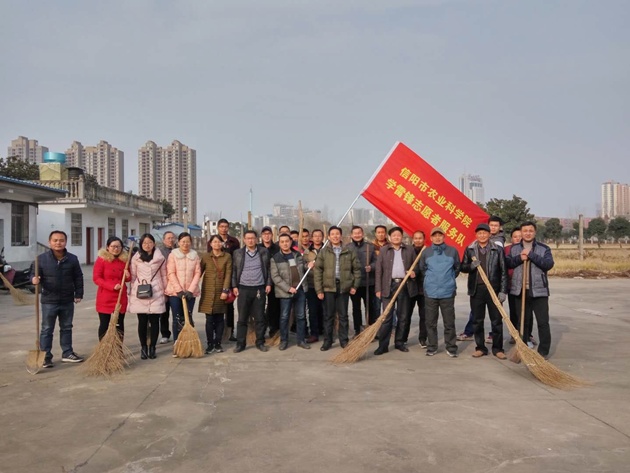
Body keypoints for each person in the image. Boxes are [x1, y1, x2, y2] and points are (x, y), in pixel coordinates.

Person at [31, 230, 85, 368]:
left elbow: (78, 277)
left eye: (61, 240)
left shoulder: (72, 259)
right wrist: (34, 279)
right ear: (49, 242)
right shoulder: (41, 259)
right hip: (49, 300)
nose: (58, 243)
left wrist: (78, 293)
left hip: (67, 299)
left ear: (65, 242)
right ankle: (45, 356)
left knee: (66, 327)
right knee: (47, 329)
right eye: (55, 240)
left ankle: (67, 353)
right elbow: (32, 274)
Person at [505, 221, 554, 359]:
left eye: (530, 231)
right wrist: (520, 258)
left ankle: (543, 352)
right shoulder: (514, 249)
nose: (528, 233)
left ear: (535, 232)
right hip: (519, 291)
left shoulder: (544, 249)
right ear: (521, 232)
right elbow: (508, 263)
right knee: (523, 322)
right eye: (525, 231)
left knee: (543, 322)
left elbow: (548, 264)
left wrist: (531, 255)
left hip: (539, 292)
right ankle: (523, 348)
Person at [460, 223, 508, 359]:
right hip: (477, 290)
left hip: (494, 290)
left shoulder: (497, 250)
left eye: (484, 233)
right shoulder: (470, 249)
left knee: (496, 321)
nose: (482, 235)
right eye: (479, 233)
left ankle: (498, 349)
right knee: (477, 320)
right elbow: (462, 267)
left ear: (489, 234)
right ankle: (480, 348)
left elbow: (503, 272)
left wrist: (503, 291)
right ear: (476, 235)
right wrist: (471, 266)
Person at [314, 226, 361, 351]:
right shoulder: (324, 252)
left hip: (343, 288)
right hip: (328, 288)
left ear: (341, 236)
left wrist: (354, 286)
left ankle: (344, 341)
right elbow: (318, 271)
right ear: (329, 237)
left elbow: (356, 269)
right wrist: (319, 290)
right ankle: (327, 341)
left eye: (337, 234)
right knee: (328, 316)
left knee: (343, 316)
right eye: (332, 234)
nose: (335, 236)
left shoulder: (349, 251)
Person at [374, 227, 418, 355]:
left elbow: (417, 265)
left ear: (402, 236)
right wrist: (378, 289)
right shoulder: (384, 250)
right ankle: (383, 345)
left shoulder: (409, 249)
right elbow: (378, 271)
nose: (396, 237)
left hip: (404, 285)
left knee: (403, 317)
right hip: (388, 286)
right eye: (394, 235)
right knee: (386, 317)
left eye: (398, 235)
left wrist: (414, 273)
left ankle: (399, 342)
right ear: (390, 237)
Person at [419, 227, 460, 357]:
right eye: (435, 235)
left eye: (440, 235)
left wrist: (449, 279)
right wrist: (431, 280)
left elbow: (457, 268)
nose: (437, 238)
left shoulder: (452, 251)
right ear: (431, 238)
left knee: (449, 322)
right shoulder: (426, 252)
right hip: (430, 292)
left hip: (447, 291)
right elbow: (422, 269)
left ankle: (451, 347)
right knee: (430, 322)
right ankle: (432, 347)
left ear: (444, 237)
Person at [270, 233, 314, 350]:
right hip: (286, 292)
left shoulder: (297, 255)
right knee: (284, 317)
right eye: (282, 242)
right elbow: (275, 277)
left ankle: (301, 340)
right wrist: (288, 288)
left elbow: (303, 267)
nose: (285, 243)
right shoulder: (275, 258)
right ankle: (284, 341)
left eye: (287, 241)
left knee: (301, 316)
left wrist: (308, 265)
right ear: (279, 244)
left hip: (300, 290)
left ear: (290, 242)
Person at [232, 230, 272, 352]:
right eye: (248, 238)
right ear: (244, 240)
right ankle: (240, 344)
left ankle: (260, 342)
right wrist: (234, 286)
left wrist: (268, 284)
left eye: (253, 238)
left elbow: (268, 269)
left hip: (259, 288)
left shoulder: (263, 252)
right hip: (243, 289)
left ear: (256, 239)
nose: (250, 240)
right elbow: (234, 270)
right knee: (242, 318)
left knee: (259, 318)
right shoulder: (238, 253)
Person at [129, 233, 168, 360]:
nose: (147, 245)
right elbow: (133, 277)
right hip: (140, 292)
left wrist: (165, 291)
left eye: (150, 242)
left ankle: (152, 347)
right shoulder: (135, 258)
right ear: (141, 244)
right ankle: (143, 347)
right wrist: (132, 291)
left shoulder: (160, 258)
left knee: (155, 321)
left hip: (156, 291)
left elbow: (164, 275)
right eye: (144, 243)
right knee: (142, 322)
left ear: (154, 243)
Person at [165, 232, 202, 354]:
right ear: (179, 242)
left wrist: (190, 290)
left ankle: (189, 343)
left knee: (188, 317)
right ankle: (177, 344)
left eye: (188, 241)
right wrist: (179, 290)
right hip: (175, 293)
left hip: (190, 292)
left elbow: (197, 273)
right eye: (183, 241)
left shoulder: (194, 255)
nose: (185, 244)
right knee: (177, 318)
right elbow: (171, 273)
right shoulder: (173, 255)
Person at [199, 234, 232, 354]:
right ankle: (210, 343)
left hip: (220, 291)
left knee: (219, 318)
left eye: (219, 242)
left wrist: (225, 290)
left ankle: (218, 343)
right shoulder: (206, 257)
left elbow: (228, 274)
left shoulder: (227, 256)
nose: (217, 244)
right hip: (208, 292)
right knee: (209, 319)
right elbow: (199, 272)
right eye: (214, 242)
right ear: (210, 244)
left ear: (222, 243)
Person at [93, 236, 130, 341]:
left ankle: (118, 347)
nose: (116, 249)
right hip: (105, 297)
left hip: (120, 296)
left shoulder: (125, 260)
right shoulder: (101, 260)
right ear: (107, 247)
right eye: (113, 246)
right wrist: (111, 286)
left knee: (119, 324)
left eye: (118, 246)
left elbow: (128, 279)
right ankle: (104, 346)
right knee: (104, 323)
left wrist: (128, 275)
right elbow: (96, 278)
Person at [209, 218, 240, 342]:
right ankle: (217, 331)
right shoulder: (213, 241)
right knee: (216, 305)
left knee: (229, 305)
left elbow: (237, 258)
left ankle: (230, 331)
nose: (224, 228)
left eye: (226, 226)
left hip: (230, 275)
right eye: (221, 226)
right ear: (218, 228)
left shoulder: (234, 241)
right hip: (217, 277)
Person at [345, 225, 377, 336]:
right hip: (354, 284)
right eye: (355, 233)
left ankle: (370, 329)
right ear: (351, 235)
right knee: (356, 308)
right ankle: (357, 330)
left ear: (362, 234)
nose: (357, 235)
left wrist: (371, 267)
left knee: (370, 307)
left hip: (369, 282)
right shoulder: (347, 247)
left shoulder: (370, 247)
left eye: (359, 233)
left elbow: (376, 261)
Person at [405, 230, 427, 348]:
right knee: (406, 314)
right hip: (410, 287)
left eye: (420, 238)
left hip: (424, 288)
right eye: (416, 238)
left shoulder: (428, 251)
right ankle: (403, 338)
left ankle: (423, 338)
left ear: (424, 239)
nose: (418, 240)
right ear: (412, 239)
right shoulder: (408, 251)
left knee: (424, 316)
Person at [304, 229, 325, 342]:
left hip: (325, 284)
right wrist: (307, 265)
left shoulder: (327, 249)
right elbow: (302, 265)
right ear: (312, 238)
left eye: (319, 236)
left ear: (323, 237)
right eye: (315, 236)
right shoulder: (307, 252)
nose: (317, 238)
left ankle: (325, 331)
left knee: (325, 309)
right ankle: (314, 333)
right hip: (311, 284)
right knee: (313, 310)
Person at [259, 226, 280, 337]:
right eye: (264, 234)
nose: (266, 236)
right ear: (261, 236)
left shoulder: (277, 248)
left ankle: (273, 329)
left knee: (274, 306)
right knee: (259, 307)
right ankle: (261, 330)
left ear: (272, 235)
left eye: (268, 234)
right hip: (260, 281)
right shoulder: (257, 248)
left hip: (275, 281)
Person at [158, 231, 176, 344]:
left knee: (176, 312)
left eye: (172, 238)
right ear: (164, 240)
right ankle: (165, 334)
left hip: (176, 286)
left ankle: (178, 334)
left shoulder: (178, 250)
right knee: (164, 312)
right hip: (163, 285)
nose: (171, 240)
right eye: (168, 238)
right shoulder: (159, 252)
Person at [506, 227, 522, 343]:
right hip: (511, 284)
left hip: (525, 285)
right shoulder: (506, 250)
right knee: (514, 310)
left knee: (526, 311)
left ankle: (527, 334)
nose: (518, 239)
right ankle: (514, 334)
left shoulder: (529, 249)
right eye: (515, 237)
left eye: (520, 236)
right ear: (511, 238)